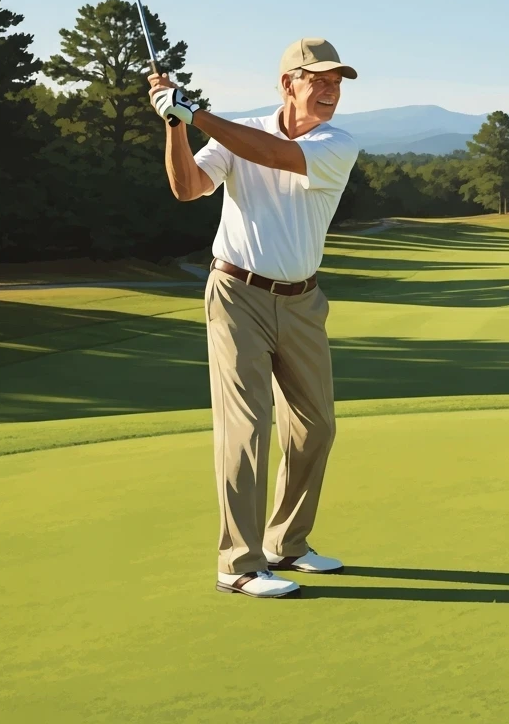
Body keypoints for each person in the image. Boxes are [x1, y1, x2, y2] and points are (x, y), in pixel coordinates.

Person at [148, 37, 361, 599]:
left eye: (338, 82)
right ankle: (238, 563)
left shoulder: (337, 143)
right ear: (289, 82)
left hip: (303, 301)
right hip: (236, 293)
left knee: (316, 425)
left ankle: (288, 542)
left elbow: (273, 155)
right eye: (320, 80)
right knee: (247, 427)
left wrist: (195, 114)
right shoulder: (234, 132)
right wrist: (175, 125)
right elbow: (188, 188)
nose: (331, 91)